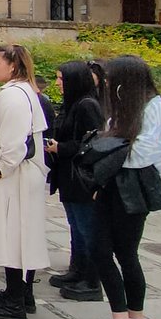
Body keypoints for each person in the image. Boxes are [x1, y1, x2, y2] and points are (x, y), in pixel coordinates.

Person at [89, 55, 161, 319]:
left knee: (120, 252)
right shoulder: (124, 108)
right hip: (114, 182)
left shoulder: (155, 108)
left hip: (135, 185)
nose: (108, 84)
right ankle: (129, 317)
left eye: (112, 78)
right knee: (107, 249)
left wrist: (109, 149)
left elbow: (144, 153)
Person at [0, 44, 50, 319]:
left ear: (13, 66)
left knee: (13, 236)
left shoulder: (15, 96)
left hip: (14, 177)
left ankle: (16, 302)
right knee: (21, 235)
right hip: (19, 175)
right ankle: (20, 293)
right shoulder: (23, 92)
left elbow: (14, 144)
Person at [45, 61, 105, 302]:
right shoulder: (72, 105)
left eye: (61, 79)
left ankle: (92, 280)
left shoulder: (87, 106)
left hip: (81, 178)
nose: (58, 83)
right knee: (75, 225)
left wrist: (62, 148)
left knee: (87, 227)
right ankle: (77, 270)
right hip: (68, 176)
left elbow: (93, 143)